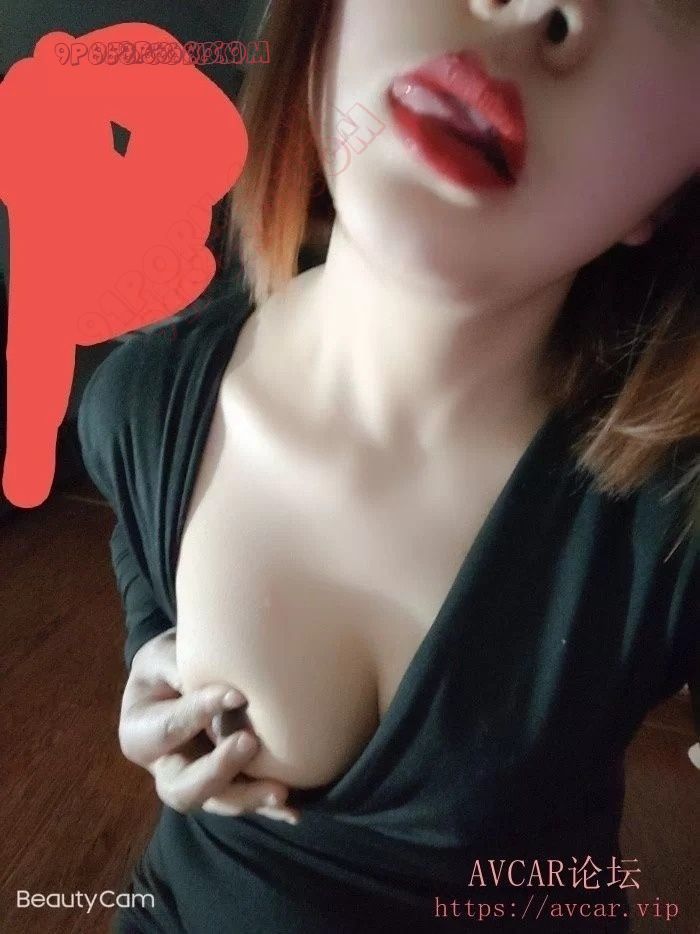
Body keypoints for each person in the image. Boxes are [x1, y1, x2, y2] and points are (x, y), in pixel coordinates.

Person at [77, 0, 700, 931]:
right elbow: (140, 556)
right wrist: (151, 658)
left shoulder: (677, 521)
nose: (541, 4)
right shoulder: (140, 402)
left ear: (674, 191)